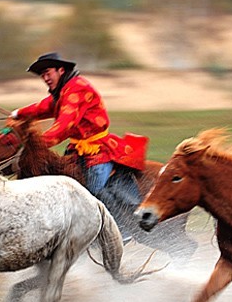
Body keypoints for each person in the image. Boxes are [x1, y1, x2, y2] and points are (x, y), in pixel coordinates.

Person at [10, 52, 143, 229]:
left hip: (97, 150)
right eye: (42, 75)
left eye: (48, 73)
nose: (45, 78)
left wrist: (37, 145)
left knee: (92, 193)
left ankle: (119, 230)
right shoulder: (64, 90)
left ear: (61, 70)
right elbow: (45, 106)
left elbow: (65, 124)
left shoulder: (77, 89)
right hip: (79, 149)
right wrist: (19, 113)